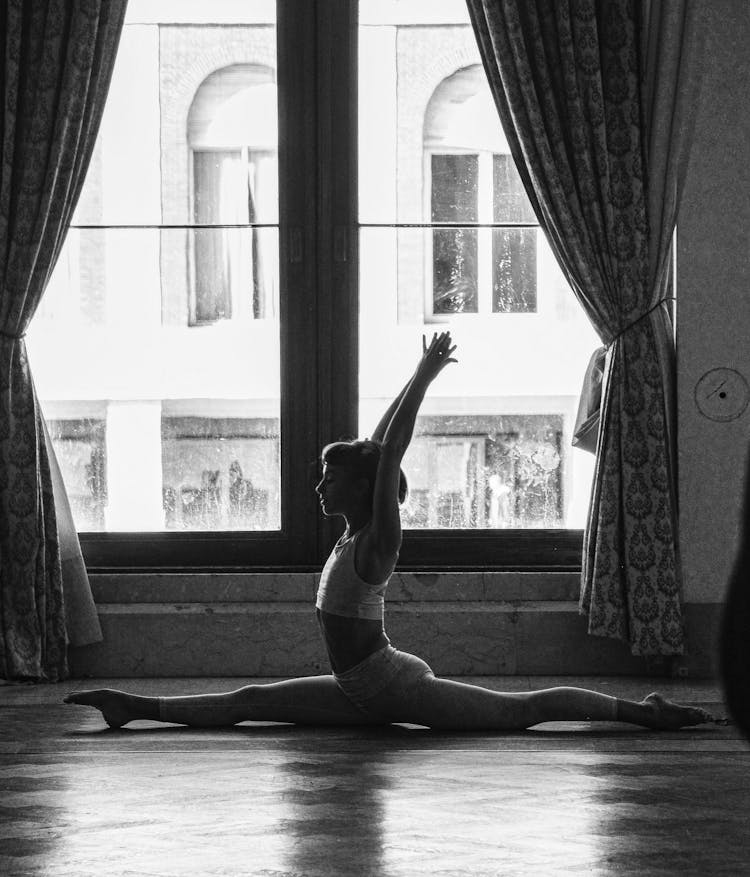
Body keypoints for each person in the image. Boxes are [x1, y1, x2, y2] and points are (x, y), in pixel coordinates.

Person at [65, 332, 713, 732]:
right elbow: (378, 444)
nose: (319, 487)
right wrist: (412, 375)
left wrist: (426, 378)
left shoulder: (378, 538)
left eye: (328, 478)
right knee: (251, 697)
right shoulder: (351, 534)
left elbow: (388, 452)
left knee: (522, 712)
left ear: (361, 489)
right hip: (360, 690)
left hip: (394, 686)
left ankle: (642, 713)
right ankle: (133, 703)